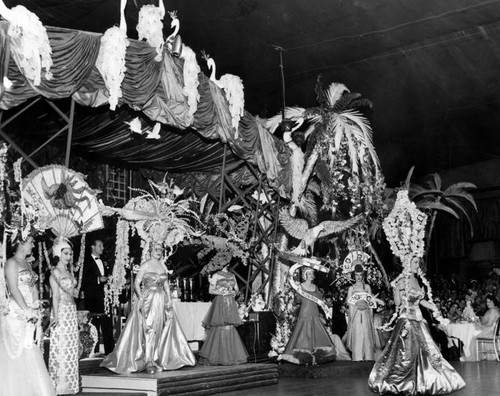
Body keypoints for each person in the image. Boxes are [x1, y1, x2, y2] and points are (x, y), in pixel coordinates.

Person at [368, 257, 466, 395]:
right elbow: (397, 303)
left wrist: (433, 307)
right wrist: (396, 290)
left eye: (418, 262)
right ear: (407, 263)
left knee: (427, 351)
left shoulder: (416, 280)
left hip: (419, 319)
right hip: (407, 320)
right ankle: (403, 382)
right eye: (414, 262)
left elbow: (420, 300)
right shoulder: (403, 280)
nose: (417, 265)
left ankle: (426, 380)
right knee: (406, 355)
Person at [101, 243, 196, 374]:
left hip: (161, 300)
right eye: (156, 250)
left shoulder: (162, 266)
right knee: (149, 328)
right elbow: (136, 283)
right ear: (150, 250)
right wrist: (140, 298)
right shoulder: (145, 265)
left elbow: (166, 285)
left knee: (160, 328)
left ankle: (156, 358)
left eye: (161, 250)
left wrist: (169, 299)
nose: (159, 252)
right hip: (149, 299)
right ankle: (148, 361)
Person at [0, 237, 56, 396]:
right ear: (21, 244)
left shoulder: (28, 264)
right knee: (17, 349)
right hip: (17, 311)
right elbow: (14, 289)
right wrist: (26, 310)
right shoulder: (11, 263)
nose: (33, 245)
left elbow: (33, 288)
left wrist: (36, 306)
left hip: (30, 309)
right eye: (30, 242)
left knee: (29, 346)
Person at [280, 267, 350, 365]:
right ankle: (303, 357)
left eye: (313, 274)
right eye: (309, 274)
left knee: (317, 334)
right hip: (305, 312)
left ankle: (315, 357)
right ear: (305, 275)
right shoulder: (300, 287)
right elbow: (298, 300)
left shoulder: (315, 287)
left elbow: (318, 301)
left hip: (314, 312)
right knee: (303, 334)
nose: (312, 276)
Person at [199, 264, 249, 365]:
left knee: (230, 326)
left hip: (230, 302)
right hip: (220, 302)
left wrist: (233, 292)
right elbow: (211, 290)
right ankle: (217, 356)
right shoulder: (216, 275)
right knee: (219, 327)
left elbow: (237, 289)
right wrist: (222, 292)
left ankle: (231, 356)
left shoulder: (232, 275)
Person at [48, 238, 79, 395]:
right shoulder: (56, 272)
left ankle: (71, 384)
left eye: (70, 254)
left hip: (72, 310)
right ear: (58, 254)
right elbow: (54, 296)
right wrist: (56, 316)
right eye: (66, 253)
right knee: (62, 345)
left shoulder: (69, 271)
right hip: (61, 311)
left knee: (72, 347)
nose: (69, 256)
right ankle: (59, 385)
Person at [82, 238, 114, 355]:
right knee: (93, 325)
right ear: (93, 247)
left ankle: (110, 352)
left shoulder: (104, 261)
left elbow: (106, 275)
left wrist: (109, 277)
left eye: (102, 246)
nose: (102, 248)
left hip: (104, 297)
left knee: (107, 324)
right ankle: (92, 352)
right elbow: (84, 280)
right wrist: (98, 280)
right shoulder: (86, 261)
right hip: (93, 298)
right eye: (100, 246)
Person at [345, 264, 381, 361]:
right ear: (354, 275)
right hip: (356, 314)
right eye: (357, 275)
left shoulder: (367, 287)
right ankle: (358, 357)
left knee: (367, 333)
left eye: (360, 275)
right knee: (357, 333)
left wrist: (367, 306)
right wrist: (356, 306)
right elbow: (349, 303)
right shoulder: (351, 288)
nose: (359, 277)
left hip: (365, 314)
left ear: (363, 275)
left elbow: (371, 302)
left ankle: (369, 357)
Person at [468, 294, 500, 361]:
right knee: (474, 330)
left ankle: (470, 354)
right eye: (487, 302)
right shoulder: (491, 310)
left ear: (494, 302)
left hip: (491, 331)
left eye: (489, 302)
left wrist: (480, 326)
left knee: (473, 333)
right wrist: (479, 322)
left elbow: (489, 324)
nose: (487, 303)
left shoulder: (493, 311)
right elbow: (484, 321)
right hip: (490, 329)